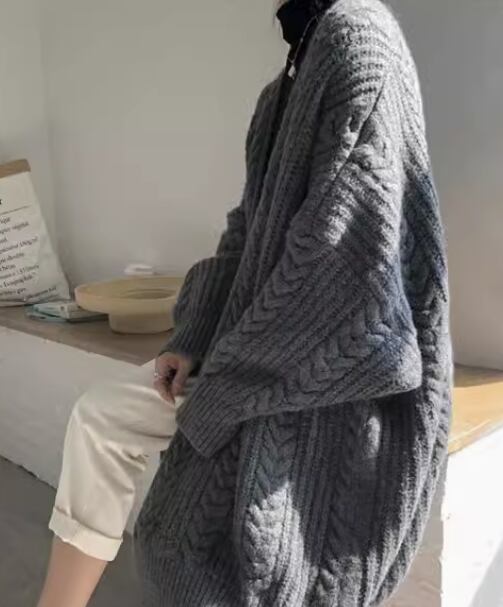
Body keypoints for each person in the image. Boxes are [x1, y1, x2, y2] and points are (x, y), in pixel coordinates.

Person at [37, 0, 453, 605]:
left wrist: (224, 390)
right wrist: (193, 336)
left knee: (197, 544)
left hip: (334, 379)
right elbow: (245, 231)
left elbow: (347, 281)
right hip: (257, 347)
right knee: (100, 418)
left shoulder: (357, 37)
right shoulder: (284, 84)